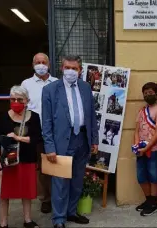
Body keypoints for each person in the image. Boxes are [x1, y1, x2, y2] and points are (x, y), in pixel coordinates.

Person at [41, 55, 99, 228]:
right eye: (67, 67)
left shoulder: (86, 87)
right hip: (60, 142)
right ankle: (58, 219)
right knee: (60, 182)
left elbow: (91, 116)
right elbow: (47, 122)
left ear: (80, 70)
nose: (70, 71)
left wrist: (94, 139)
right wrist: (49, 147)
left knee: (77, 181)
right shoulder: (50, 90)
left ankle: (71, 212)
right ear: (61, 68)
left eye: (74, 68)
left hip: (82, 139)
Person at [0, 85, 42, 228]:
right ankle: (3, 223)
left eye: (20, 99)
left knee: (26, 192)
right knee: (4, 193)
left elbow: (37, 138)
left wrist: (17, 138)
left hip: (27, 159)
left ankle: (27, 220)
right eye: (12, 99)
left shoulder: (34, 117)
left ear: (27, 101)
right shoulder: (3, 117)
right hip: (7, 160)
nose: (16, 102)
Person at [21, 53, 58, 214]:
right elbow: (22, 107)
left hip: (55, 131)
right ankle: (45, 199)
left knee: (56, 165)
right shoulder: (26, 84)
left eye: (44, 62)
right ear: (33, 64)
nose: (41, 65)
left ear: (49, 65)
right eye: (38, 62)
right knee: (41, 168)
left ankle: (59, 198)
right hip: (35, 132)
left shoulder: (57, 83)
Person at [134, 82, 157, 216]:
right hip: (141, 150)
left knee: (154, 176)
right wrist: (137, 146)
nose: (148, 95)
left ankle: (154, 202)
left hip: (155, 149)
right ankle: (148, 200)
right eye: (145, 93)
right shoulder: (141, 111)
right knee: (141, 176)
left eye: (150, 93)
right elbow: (136, 130)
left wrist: (147, 147)